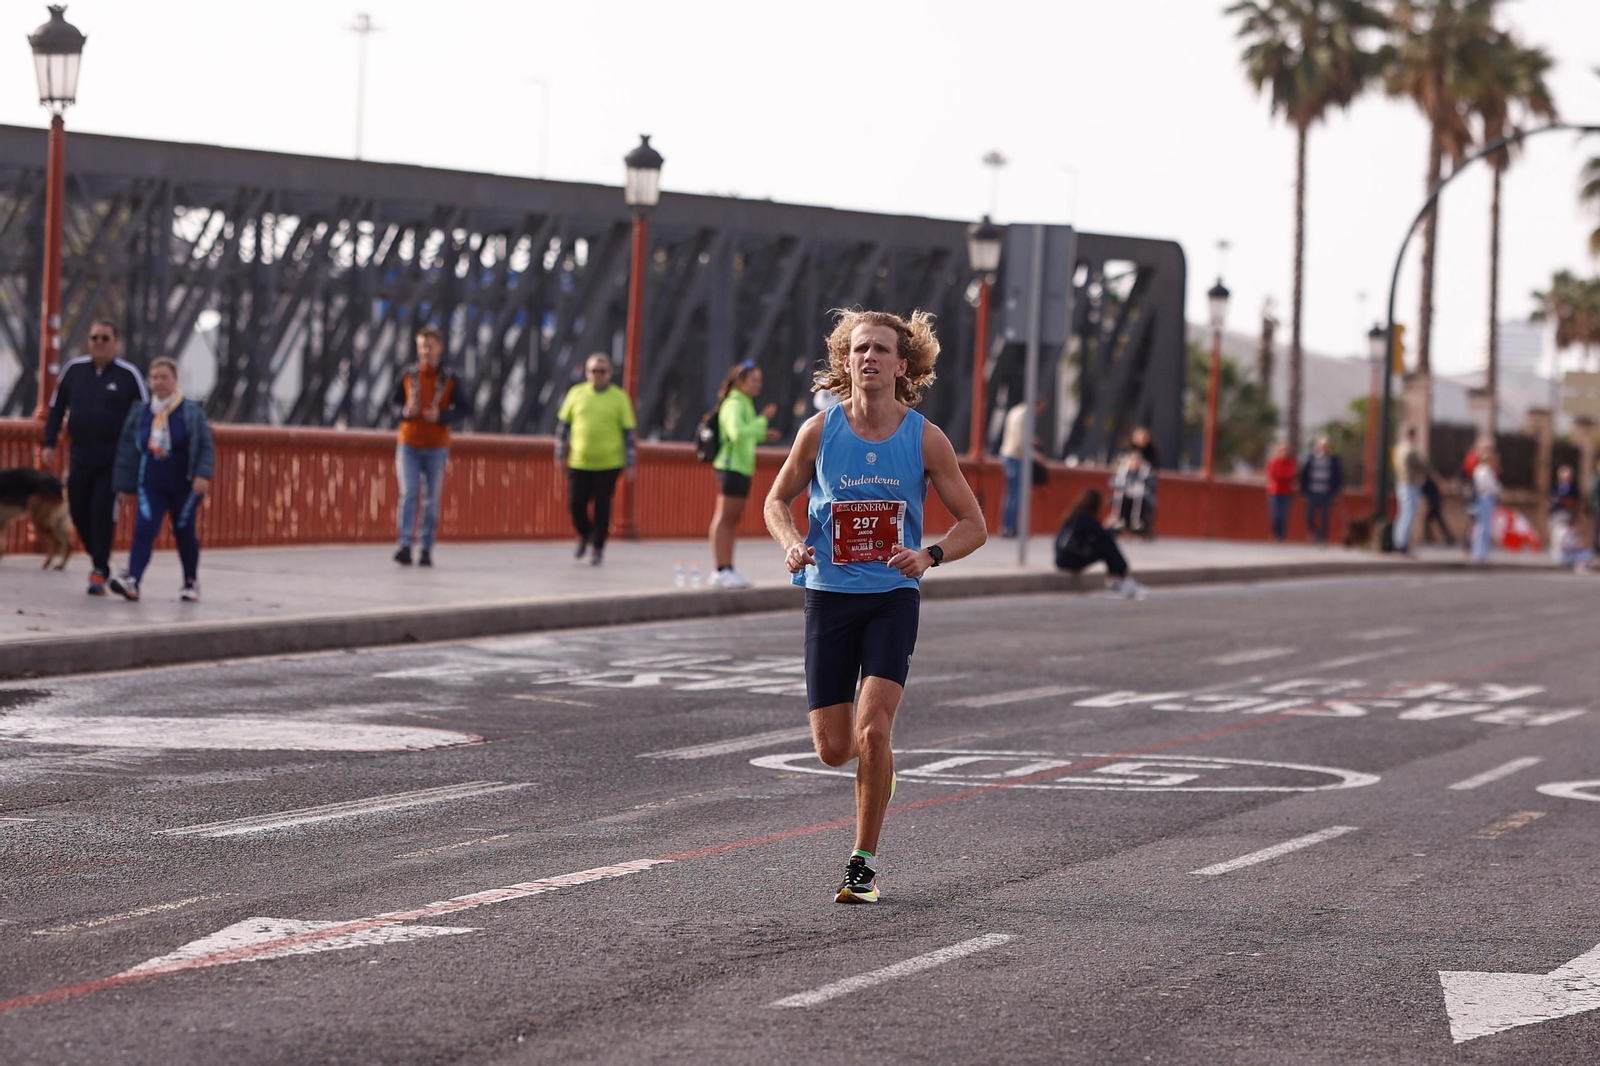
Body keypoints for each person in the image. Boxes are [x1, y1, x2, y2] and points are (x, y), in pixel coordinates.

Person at [764, 308, 986, 904]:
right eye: (859, 349)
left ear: (902, 364)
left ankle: (862, 863)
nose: (869, 359)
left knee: (875, 728)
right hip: (828, 597)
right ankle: (878, 776)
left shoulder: (924, 436)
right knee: (835, 749)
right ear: (845, 360)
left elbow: (975, 524)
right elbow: (776, 500)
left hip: (892, 597)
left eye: (881, 350)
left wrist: (930, 556)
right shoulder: (819, 431)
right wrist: (791, 545)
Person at [40, 319, 148, 594]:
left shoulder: (128, 375)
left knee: (102, 510)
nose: (99, 343)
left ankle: (99, 569)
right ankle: (98, 558)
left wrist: (138, 455)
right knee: (76, 507)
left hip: (113, 457)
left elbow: (143, 417)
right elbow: (55, 408)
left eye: (105, 338)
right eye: (94, 338)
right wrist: (49, 442)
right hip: (81, 453)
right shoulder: (74, 370)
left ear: (116, 342)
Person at [107, 359, 214, 602]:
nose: (158, 382)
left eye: (164, 377)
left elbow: (205, 446)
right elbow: (128, 450)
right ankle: (132, 580)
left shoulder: (191, 412)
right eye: (154, 377)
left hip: (183, 484)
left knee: (184, 531)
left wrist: (202, 474)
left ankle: (190, 582)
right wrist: (125, 486)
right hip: (150, 482)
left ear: (175, 380)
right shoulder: (142, 413)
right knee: (144, 530)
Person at [390, 325, 467, 567]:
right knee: (409, 493)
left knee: (431, 499)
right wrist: (403, 412)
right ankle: (404, 544)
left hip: (436, 445)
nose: (425, 351)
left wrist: (442, 416)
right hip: (408, 443)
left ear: (439, 348)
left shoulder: (449, 378)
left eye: (429, 346)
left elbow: (464, 408)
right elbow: (392, 404)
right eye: (422, 346)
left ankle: (425, 547)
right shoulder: (408, 374)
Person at [557, 353, 636, 566]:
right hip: (579, 460)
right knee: (576, 505)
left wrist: (630, 462)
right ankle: (585, 533)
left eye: (602, 371)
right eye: (593, 371)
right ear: (586, 373)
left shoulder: (619, 397)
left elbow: (628, 433)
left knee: (603, 507)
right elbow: (564, 428)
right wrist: (559, 454)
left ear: (609, 373)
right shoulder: (576, 394)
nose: (597, 375)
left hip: (609, 462)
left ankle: (598, 546)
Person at [708, 361, 780, 589]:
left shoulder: (745, 403)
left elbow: (745, 434)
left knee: (732, 518)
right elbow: (736, 433)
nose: (758, 385)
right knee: (725, 517)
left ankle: (728, 567)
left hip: (741, 466)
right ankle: (720, 569)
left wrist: (763, 434)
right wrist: (762, 421)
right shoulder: (735, 403)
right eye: (754, 380)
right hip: (731, 465)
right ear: (741, 382)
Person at [1054, 488, 1143, 597]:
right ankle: (1124, 577)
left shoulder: (1074, 515)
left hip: (1062, 558)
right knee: (1107, 544)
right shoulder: (1084, 518)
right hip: (1070, 559)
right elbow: (1102, 533)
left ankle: (1116, 578)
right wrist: (1116, 530)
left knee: (1105, 544)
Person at [998, 397, 1045, 537]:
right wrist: (1036, 456)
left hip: (1007, 453)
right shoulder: (1025, 415)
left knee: (1010, 494)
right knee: (1016, 495)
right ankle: (1010, 527)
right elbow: (1021, 442)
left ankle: (1007, 526)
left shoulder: (1015, 411)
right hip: (1016, 457)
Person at [1297, 436, 1343, 544]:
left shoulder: (1333, 460)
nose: (1324, 448)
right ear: (1317, 446)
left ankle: (1323, 537)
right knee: (1309, 515)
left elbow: (1339, 477)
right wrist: (1303, 490)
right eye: (1322, 446)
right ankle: (1315, 533)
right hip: (1312, 492)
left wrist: (1336, 492)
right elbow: (1303, 475)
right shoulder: (1309, 458)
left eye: (1326, 446)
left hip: (1326, 492)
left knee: (1325, 516)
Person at [1108, 445, 1158, 538]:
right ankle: (1118, 520)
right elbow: (1113, 483)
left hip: (1142, 500)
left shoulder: (1146, 472)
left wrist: (1145, 480)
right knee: (1119, 496)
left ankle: (1138, 523)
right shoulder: (1122, 471)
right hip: (1125, 498)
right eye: (1133, 459)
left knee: (1140, 500)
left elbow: (1152, 486)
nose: (1135, 462)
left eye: (1137, 460)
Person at [1391, 425, 1426, 553]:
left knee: (1402, 513)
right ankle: (1402, 543)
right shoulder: (1410, 450)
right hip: (1409, 484)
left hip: (1400, 483)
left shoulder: (1398, 448)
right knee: (1408, 514)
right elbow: (1421, 466)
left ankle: (1398, 541)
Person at [1471, 444, 1500, 564]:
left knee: (1482, 526)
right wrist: (1498, 489)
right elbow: (1492, 486)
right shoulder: (1484, 471)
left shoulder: (1479, 470)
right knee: (1484, 526)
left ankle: (1480, 552)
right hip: (1485, 498)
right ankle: (1480, 553)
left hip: (1482, 498)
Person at [1265, 441, 1297, 542]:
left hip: (1286, 492)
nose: (1284, 453)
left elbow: (1290, 475)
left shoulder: (1291, 463)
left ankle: (1281, 536)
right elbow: (1271, 474)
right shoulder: (1273, 462)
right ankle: (1275, 535)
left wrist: (1280, 476)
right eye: (1281, 451)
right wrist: (1281, 476)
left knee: (1283, 515)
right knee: (1275, 516)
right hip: (1274, 492)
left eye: (1285, 451)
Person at [1420, 471, 1454, 546]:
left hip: (1433, 504)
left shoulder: (1427, 482)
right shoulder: (1431, 481)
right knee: (1437, 522)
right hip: (1435, 503)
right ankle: (1447, 538)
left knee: (1433, 522)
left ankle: (1429, 538)